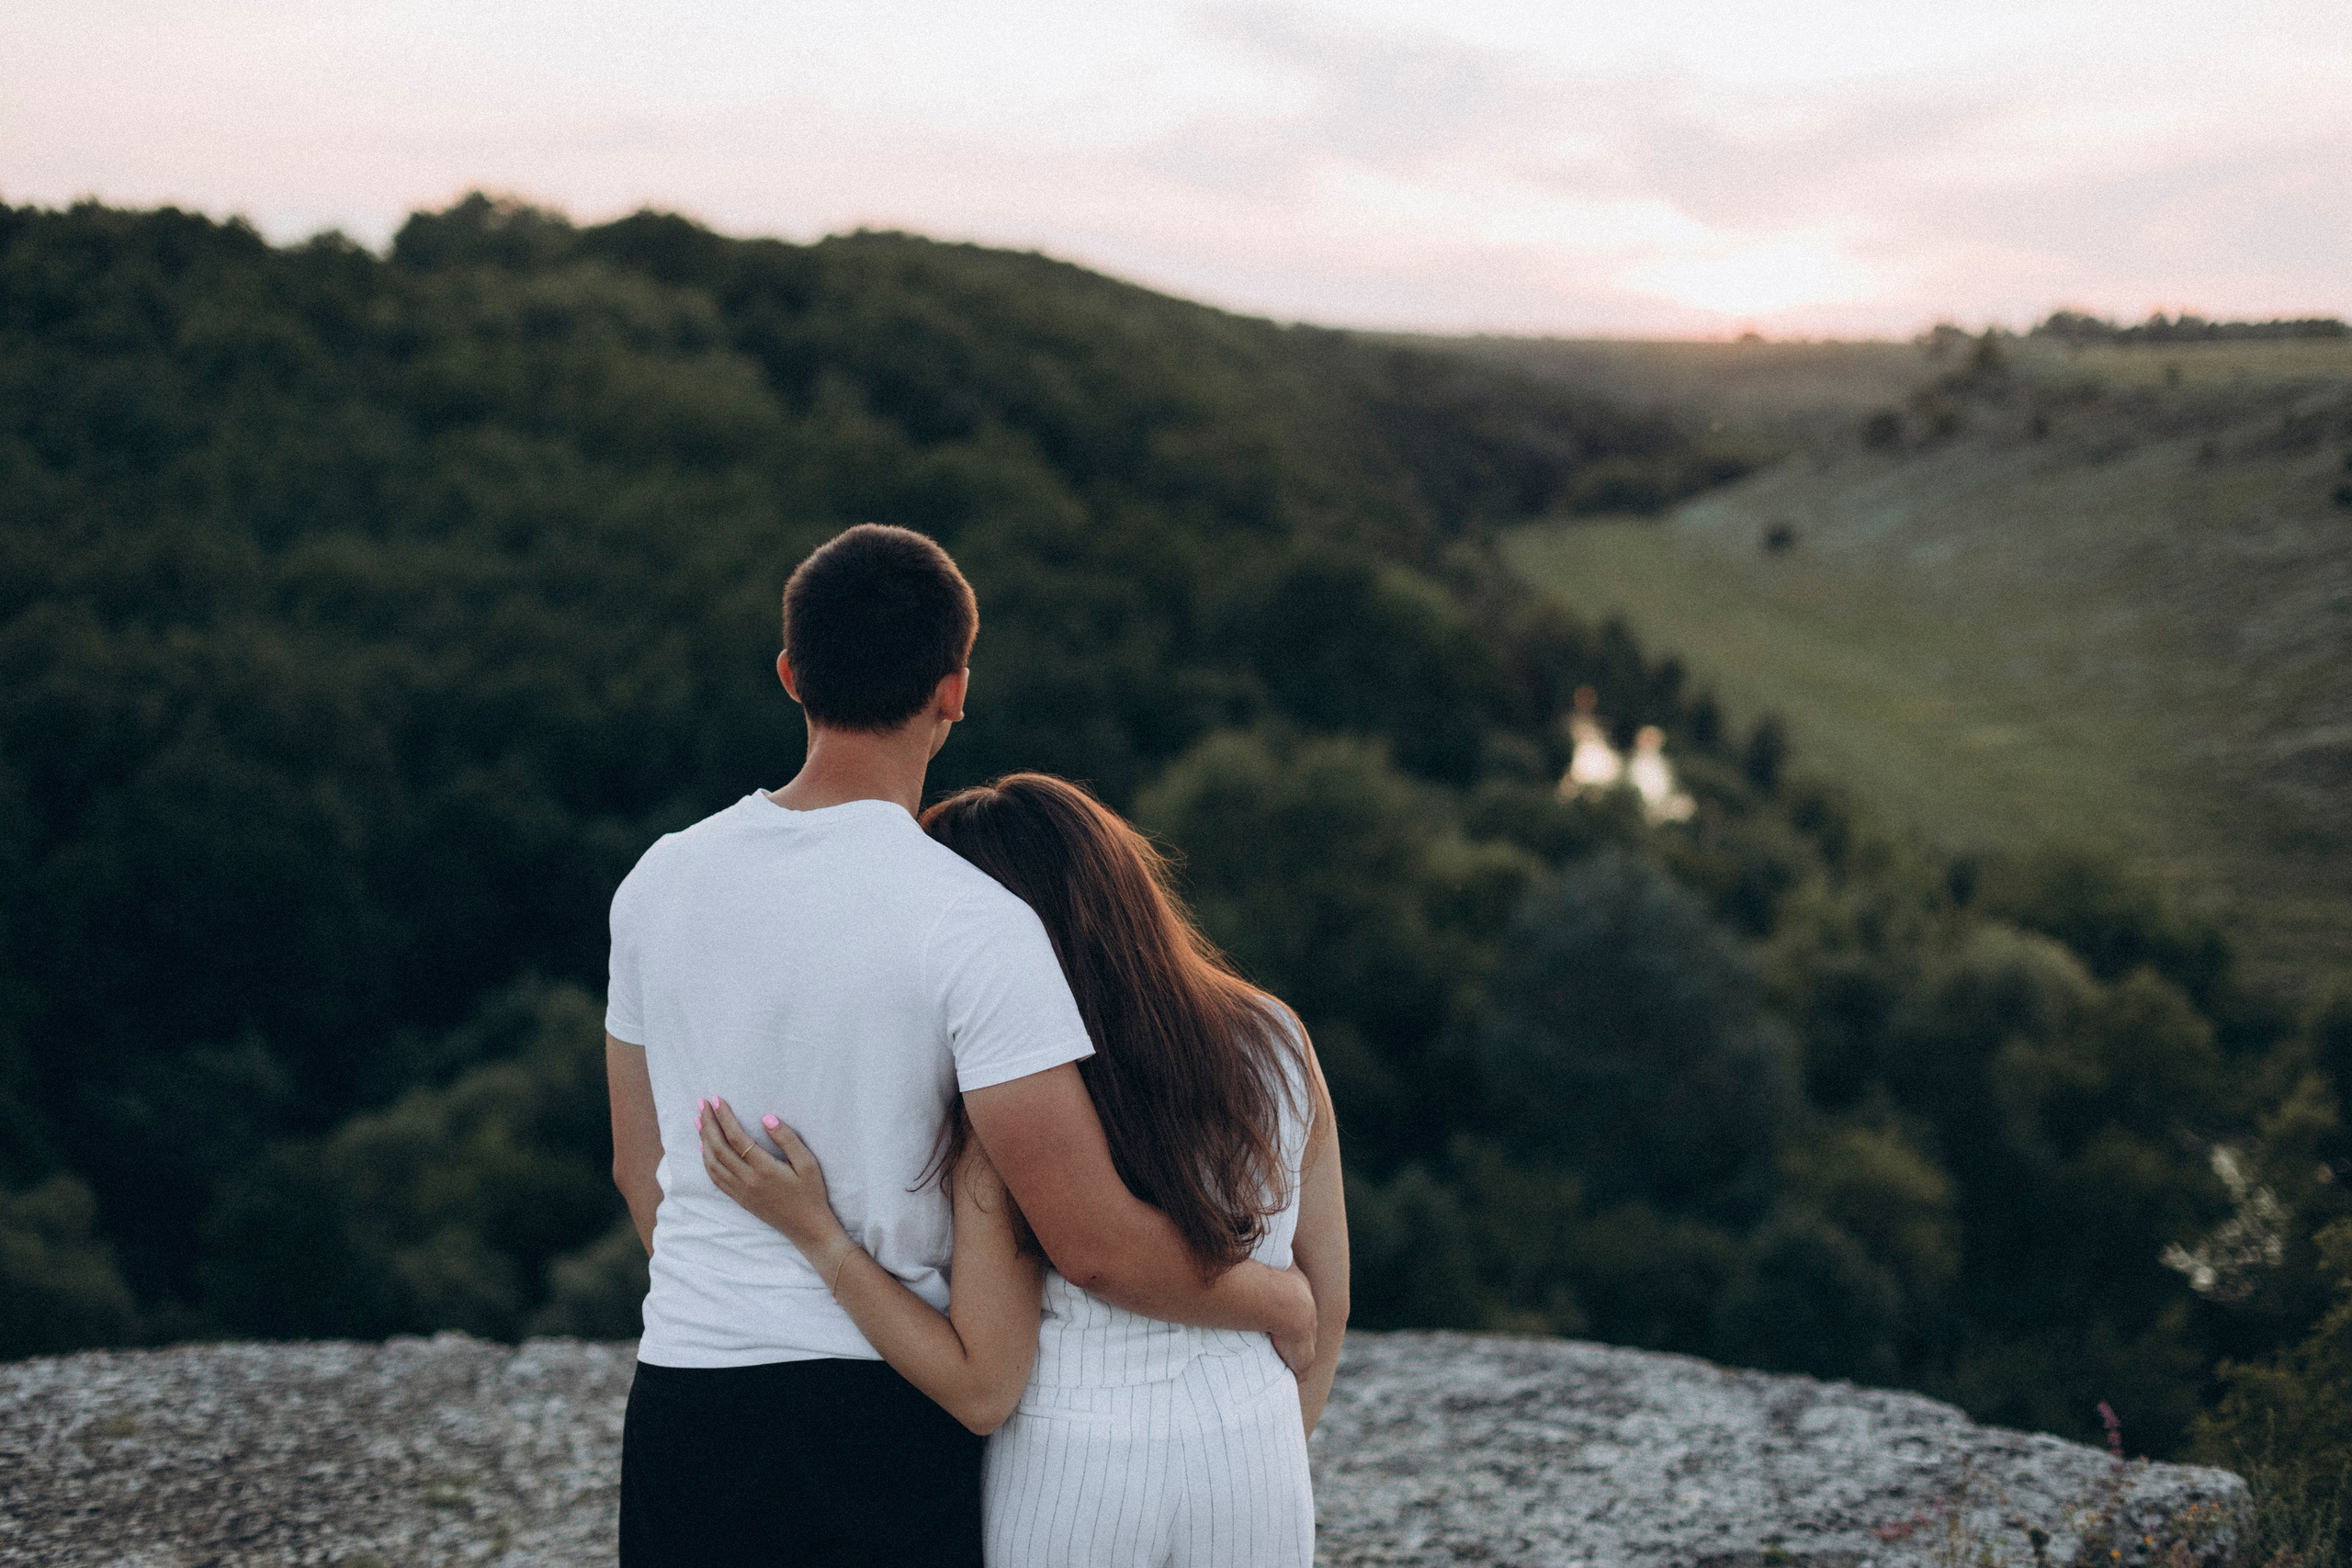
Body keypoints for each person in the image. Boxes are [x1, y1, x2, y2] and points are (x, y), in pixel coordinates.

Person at [604, 525, 1317, 1567]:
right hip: (887, 1411)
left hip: (684, 1402)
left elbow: (639, 1168)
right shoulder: (974, 923)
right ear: (954, 691)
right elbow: (1094, 1245)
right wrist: (1279, 1298)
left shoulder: (655, 881)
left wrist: (748, 1302)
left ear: (790, 675)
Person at [697, 772, 1349, 1566]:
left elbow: (980, 1385)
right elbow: (1328, 1304)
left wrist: (820, 1236)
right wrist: (1265, 1437)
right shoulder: (1280, 1039)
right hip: (1257, 1453)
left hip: (1074, 1463)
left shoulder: (1011, 1112)